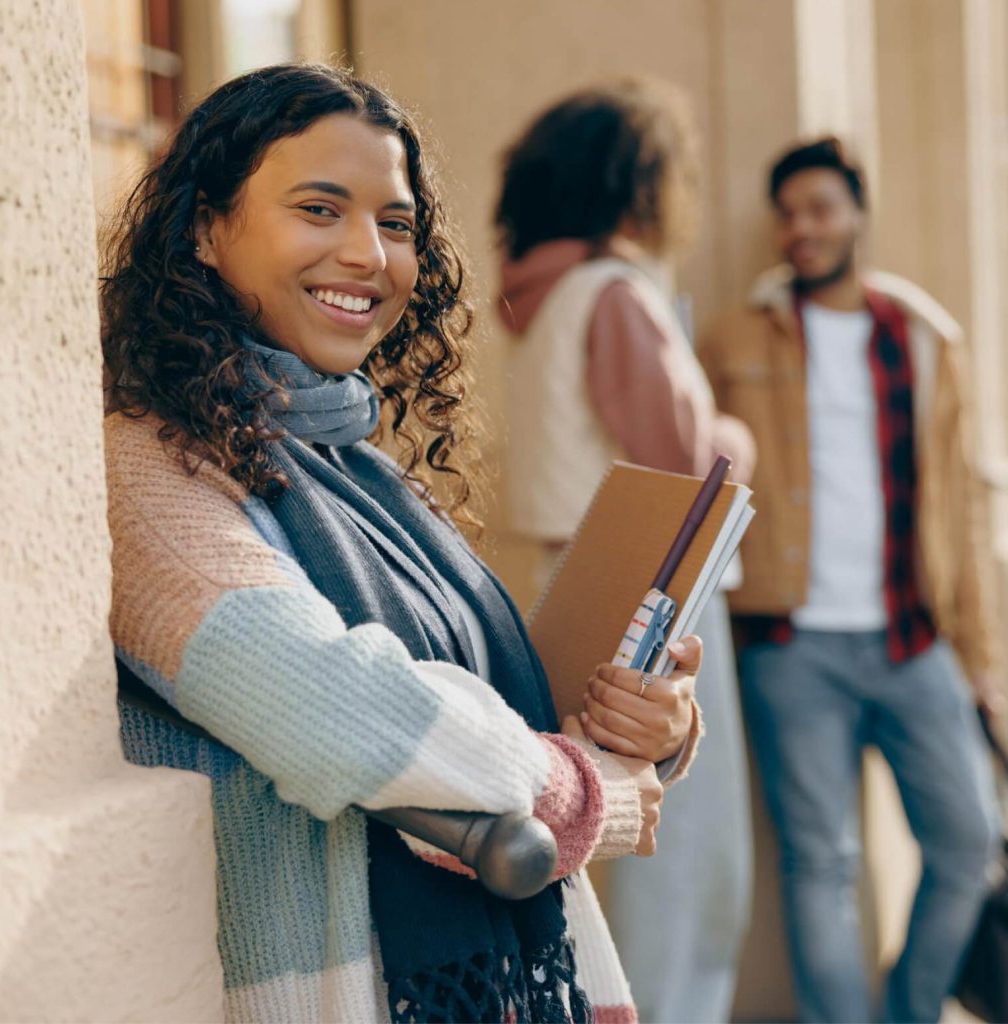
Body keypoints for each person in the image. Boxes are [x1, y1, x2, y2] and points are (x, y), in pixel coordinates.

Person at [99, 62, 707, 1024]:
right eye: (318, 209)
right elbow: (329, 703)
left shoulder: (358, 467)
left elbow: (496, 698)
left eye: (395, 224)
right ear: (207, 230)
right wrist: (595, 791)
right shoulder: (147, 467)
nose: (367, 255)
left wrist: (646, 726)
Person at [698, 136, 1001, 1023]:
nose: (802, 230)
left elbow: (963, 506)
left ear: (858, 214)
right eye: (788, 214)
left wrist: (981, 653)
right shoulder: (732, 338)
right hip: (793, 643)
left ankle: (908, 1011)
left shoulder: (924, 339)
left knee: (968, 840)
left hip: (913, 635)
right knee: (821, 860)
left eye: (821, 209)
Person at [495, 78, 756, 1024]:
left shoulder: (544, 299)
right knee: (684, 870)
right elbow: (688, 471)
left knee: (615, 857)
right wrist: (737, 431)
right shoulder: (617, 296)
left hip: (571, 584)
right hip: (656, 600)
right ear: (635, 184)